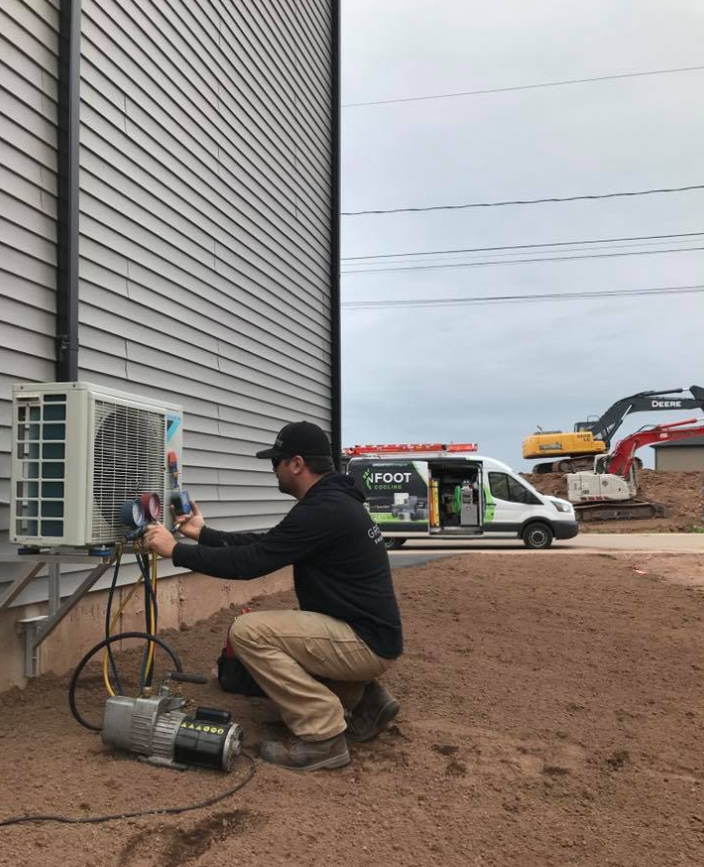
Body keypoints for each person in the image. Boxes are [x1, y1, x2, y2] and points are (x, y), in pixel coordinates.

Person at [144, 421, 403, 771]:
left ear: (296, 464)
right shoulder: (333, 501)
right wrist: (203, 534)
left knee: (248, 632)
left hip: (363, 643)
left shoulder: (323, 509)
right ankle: (365, 699)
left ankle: (323, 736)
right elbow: (266, 545)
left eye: (275, 462)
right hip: (369, 636)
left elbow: (251, 562)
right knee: (279, 633)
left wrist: (175, 551)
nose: (273, 470)